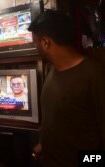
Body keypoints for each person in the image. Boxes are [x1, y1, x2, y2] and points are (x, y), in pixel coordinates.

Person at [28, 10, 105, 167]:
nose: (35, 46)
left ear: (45, 42)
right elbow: (58, 119)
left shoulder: (95, 76)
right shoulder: (52, 70)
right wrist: (42, 145)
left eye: (35, 42)